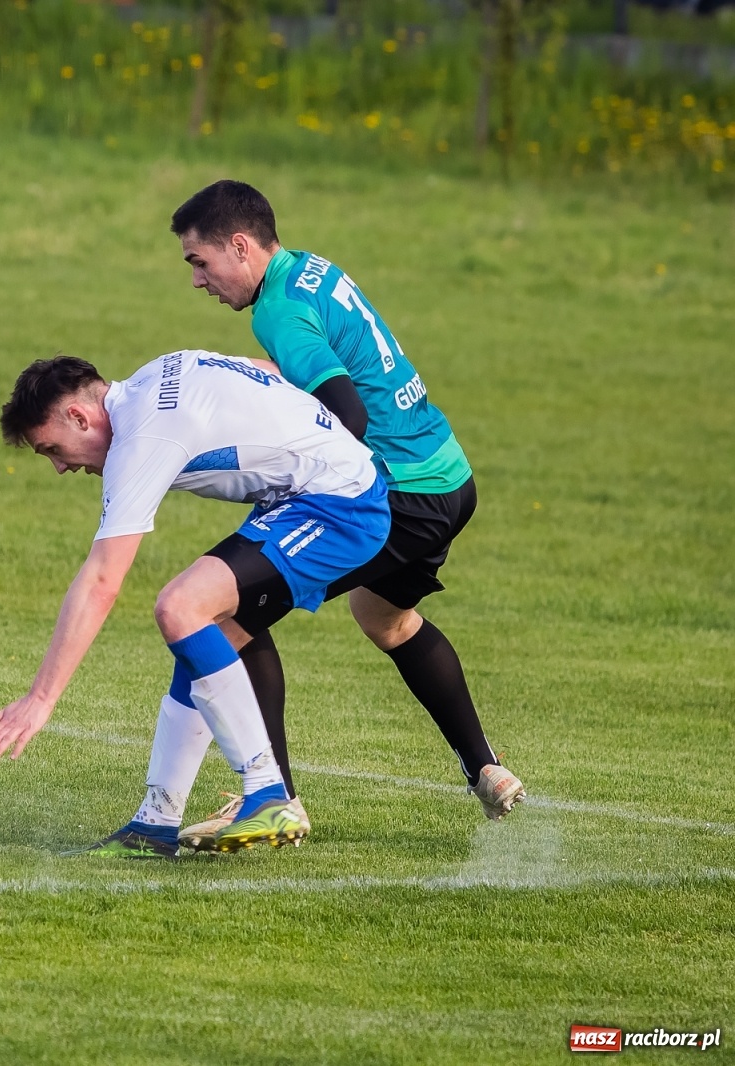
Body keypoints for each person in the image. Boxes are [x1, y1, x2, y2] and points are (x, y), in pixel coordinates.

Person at [165, 180, 524, 848]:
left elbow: (348, 415)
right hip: (449, 476)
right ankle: (486, 769)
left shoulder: (277, 311)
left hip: (399, 492)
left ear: (240, 247)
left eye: (200, 261)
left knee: (225, 614)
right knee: (385, 618)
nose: (197, 279)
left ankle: (273, 799)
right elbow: (332, 368)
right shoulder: (310, 268)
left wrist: (288, 483)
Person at [0, 351, 390, 856]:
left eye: (52, 450)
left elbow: (102, 580)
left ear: (79, 418)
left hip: (340, 504)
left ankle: (267, 794)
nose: (61, 467)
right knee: (202, 640)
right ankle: (155, 824)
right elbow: (265, 369)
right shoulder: (157, 371)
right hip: (307, 497)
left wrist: (40, 699)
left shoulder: (143, 439)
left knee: (179, 607)